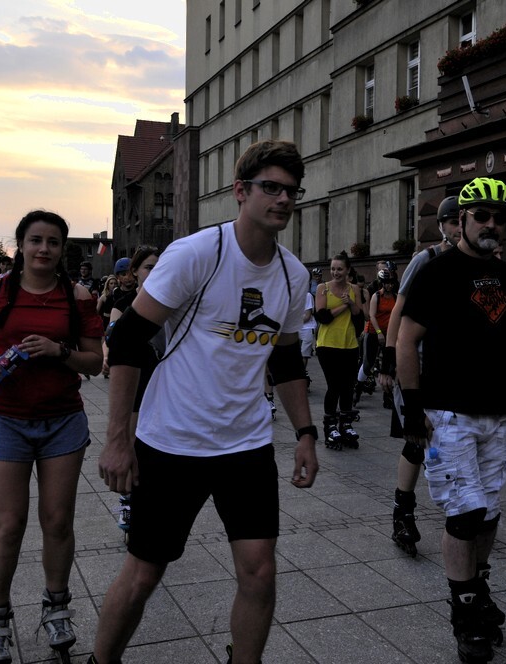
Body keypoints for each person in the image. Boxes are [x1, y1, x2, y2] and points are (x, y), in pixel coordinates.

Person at [92, 139, 318, 664]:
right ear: (241, 192)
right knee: (145, 571)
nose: (282, 199)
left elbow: (284, 362)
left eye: (291, 191)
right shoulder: (199, 253)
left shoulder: (292, 274)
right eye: (270, 188)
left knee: (260, 571)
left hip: (246, 445)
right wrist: (118, 442)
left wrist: (306, 434)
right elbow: (126, 342)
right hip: (173, 443)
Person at [397, 177, 506, 663]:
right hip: (448, 413)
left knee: (490, 513)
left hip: (498, 413)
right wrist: (413, 406)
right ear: (462, 220)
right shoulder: (438, 271)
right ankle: (464, 614)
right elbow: (404, 339)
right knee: (464, 515)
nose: (491, 225)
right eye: (482, 216)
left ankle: (477, 589)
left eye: (499, 218)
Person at [0, 210, 104, 662]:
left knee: (57, 522)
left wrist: (61, 352)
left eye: (53, 242)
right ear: (20, 244)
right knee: (9, 525)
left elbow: (95, 363)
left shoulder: (78, 297)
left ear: (61, 249)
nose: (44, 249)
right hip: (4, 419)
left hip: (62, 421)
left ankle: (57, 607)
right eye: (35, 240)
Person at [378, 195, 462, 556]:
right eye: (454, 221)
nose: (460, 227)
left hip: (455, 368)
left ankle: (464, 510)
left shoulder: (476, 264)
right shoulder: (425, 260)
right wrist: (388, 359)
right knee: (416, 439)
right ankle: (402, 513)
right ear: (443, 225)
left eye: (464, 220)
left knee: (458, 439)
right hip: (418, 362)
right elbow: (399, 309)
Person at [106, 246, 161, 539]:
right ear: (135, 273)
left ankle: (154, 505)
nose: (154, 272)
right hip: (136, 382)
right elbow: (113, 337)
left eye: (158, 267)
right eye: (149, 267)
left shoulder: (173, 302)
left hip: (164, 384)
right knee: (133, 447)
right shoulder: (124, 301)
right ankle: (127, 502)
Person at [314, 251, 362, 449]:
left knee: (348, 387)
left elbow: (360, 316)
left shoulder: (355, 289)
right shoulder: (322, 288)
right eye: (333, 269)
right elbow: (322, 317)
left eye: (339, 269)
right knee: (334, 385)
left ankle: (346, 425)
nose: (335, 272)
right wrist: (343, 306)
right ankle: (330, 427)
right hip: (327, 345)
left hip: (349, 343)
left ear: (347, 270)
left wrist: (351, 303)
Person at [355, 268, 397, 405]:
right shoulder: (377, 296)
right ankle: (358, 389)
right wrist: (379, 333)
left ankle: (387, 396)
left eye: (391, 283)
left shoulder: (396, 297)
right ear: (382, 283)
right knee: (368, 364)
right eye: (387, 283)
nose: (389, 285)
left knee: (389, 365)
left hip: (389, 333)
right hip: (373, 332)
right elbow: (372, 316)